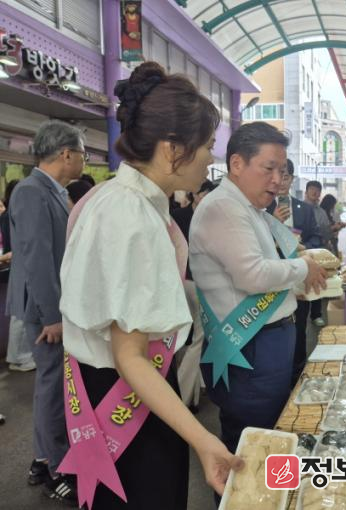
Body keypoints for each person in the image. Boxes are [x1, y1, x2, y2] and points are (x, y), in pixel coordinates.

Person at [59, 62, 242, 509]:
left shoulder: (108, 198)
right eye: (206, 147)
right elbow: (130, 357)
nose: (210, 159)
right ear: (172, 148)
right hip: (131, 394)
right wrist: (204, 441)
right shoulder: (133, 215)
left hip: (109, 386)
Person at [190, 122, 327, 458]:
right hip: (249, 346)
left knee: (268, 435)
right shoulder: (224, 207)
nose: (277, 180)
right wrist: (303, 268)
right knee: (254, 442)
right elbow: (252, 275)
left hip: (265, 343)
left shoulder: (248, 208)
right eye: (269, 169)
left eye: (282, 171)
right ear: (237, 163)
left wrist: (293, 281)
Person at [6, 120, 85, 504]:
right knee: (53, 389)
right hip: (45, 311)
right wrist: (52, 316)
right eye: (82, 153)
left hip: (52, 306)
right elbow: (37, 258)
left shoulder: (52, 191)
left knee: (53, 385)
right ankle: (57, 469)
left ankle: (43, 460)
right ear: (66, 154)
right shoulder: (31, 192)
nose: (84, 160)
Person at [267, 159, 322, 387]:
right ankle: (279, 377)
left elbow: (316, 236)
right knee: (276, 330)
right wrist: (272, 223)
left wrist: (304, 249)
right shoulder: (261, 209)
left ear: (291, 179)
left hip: (300, 276)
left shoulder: (305, 209)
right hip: (272, 279)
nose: (281, 181)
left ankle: (298, 376)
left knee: (299, 327)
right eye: (277, 174)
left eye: (286, 176)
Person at [171, 179, 217, 412]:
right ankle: (182, 398)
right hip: (192, 283)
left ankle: (194, 393)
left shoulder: (180, 215)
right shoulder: (203, 217)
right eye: (203, 193)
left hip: (186, 282)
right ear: (195, 194)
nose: (205, 197)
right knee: (197, 339)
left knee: (188, 338)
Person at [1, 180, 34, 372]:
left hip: (16, 263)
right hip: (18, 263)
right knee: (20, 313)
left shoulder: (9, 214)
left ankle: (18, 356)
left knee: (19, 312)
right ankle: (19, 357)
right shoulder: (12, 215)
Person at [302, 180, 329, 329]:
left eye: (317, 190)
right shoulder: (299, 208)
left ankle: (316, 315)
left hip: (319, 251)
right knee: (304, 282)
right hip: (303, 251)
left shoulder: (321, 212)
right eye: (312, 189)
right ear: (306, 191)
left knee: (318, 280)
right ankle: (302, 315)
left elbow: (326, 230)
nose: (315, 192)